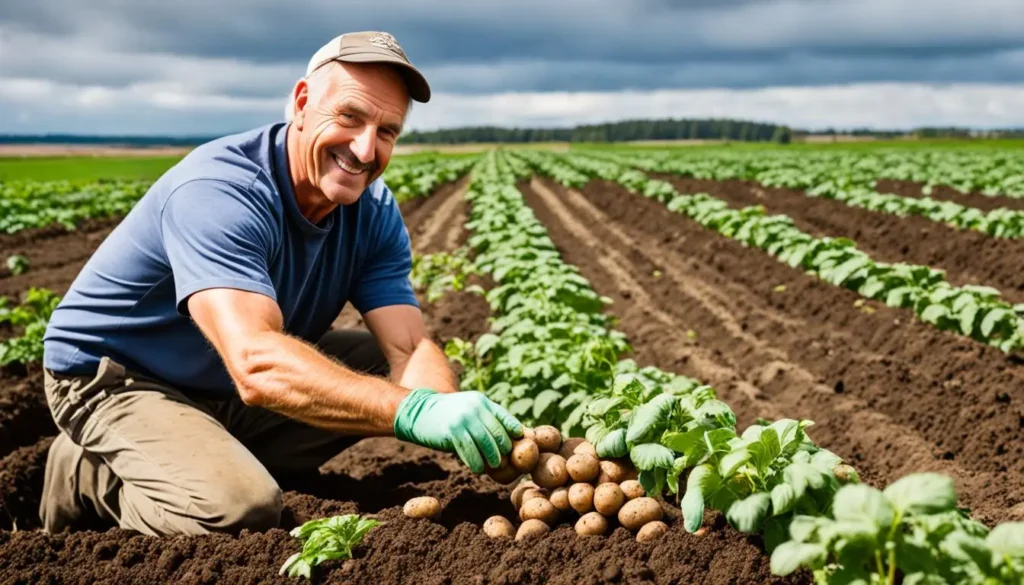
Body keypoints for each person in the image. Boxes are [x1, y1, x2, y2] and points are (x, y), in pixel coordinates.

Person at [38, 31, 522, 537]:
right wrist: (411, 410)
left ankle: (203, 448)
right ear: (302, 103)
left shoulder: (372, 212)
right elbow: (256, 364)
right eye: (350, 117)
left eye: (387, 131)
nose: (364, 149)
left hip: (214, 380)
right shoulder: (222, 192)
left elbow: (407, 346)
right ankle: (88, 471)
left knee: (380, 367)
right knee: (237, 509)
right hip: (116, 376)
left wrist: (444, 415)